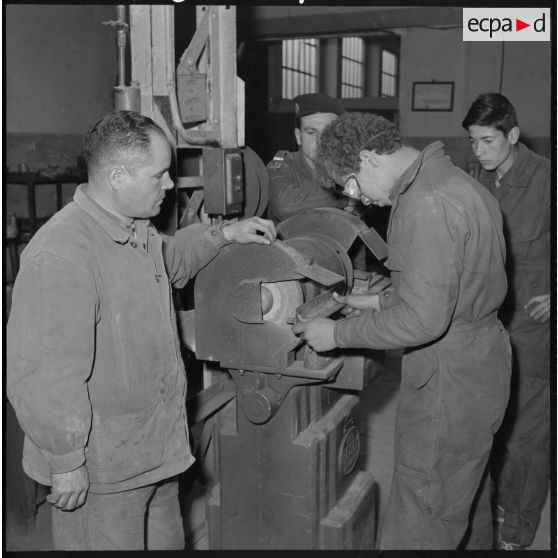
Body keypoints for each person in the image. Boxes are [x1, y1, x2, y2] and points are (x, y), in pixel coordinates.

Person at [6, 110, 276, 551]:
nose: (170, 185)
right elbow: (42, 373)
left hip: (154, 452)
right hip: (101, 470)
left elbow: (171, 261)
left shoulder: (135, 232)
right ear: (116, 176)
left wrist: (226, 233)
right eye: (159, 175)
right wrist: (66, 460)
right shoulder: (62, 253)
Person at [292, 112, 512, 550]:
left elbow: (424, 319)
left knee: (422, 514)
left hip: (450, 376)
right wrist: (371, 301)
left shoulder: (425, 202)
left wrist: (337, 335)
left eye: (351, 183)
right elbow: (449, 284)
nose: (356, 198)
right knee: (463, 498)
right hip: (480, 360)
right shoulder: (456, 183)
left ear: (370, 158)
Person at [462, 93, 550, 551]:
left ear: (513, 135)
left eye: (488, 141)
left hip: (534, 328)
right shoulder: (478, 179)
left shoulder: (546, 177)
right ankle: (496, 507)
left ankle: (519, 525)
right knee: (491, 423)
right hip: (487, 323)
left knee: (529, 435)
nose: (479, 151)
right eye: (474, 141)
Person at [266, 92, 349, 223]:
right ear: (298, 136)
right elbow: (285, 206)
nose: (320, 141)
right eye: (311, 132)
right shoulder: (284, 166)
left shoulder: (347, 166)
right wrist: (343, 198)